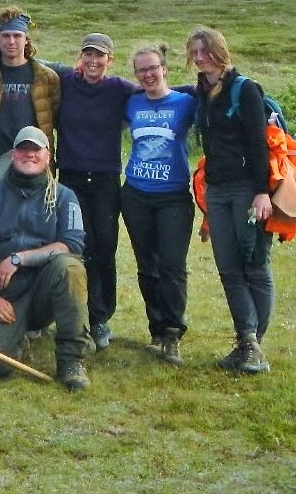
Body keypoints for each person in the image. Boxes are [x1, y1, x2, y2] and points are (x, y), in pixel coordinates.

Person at [0, 126, 91, 391]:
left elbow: (72, 244)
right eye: (23, 149)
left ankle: (71, 360)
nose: (29, 154)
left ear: (48, 157)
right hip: (3, 296)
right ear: (13, 155)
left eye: (36, 150)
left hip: (44, 291)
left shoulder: (65, 197)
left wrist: (19, 258)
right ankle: (16, 339)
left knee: (70, 268)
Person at [187, 27, 274, 374]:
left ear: (219, 51)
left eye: (204, 50)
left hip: (247, 189)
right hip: (218, 191)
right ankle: (247, 342)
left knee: (254, 263)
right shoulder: (201, 91)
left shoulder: (245, 89)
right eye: (194, 52)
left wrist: (262, 191)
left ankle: (253, 345)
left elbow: (258, 143)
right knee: (228, 268)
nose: (199, 57)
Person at [53, 33, 138, 350]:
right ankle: (77, 314)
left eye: (99, 55)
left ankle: (101, 317)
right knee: (76, 245)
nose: (93, 61)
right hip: (71, 177)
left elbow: (157, 90)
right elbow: (32, 62)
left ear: (109, 59)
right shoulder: (66, 81)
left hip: (104, 179)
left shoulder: (119, 88)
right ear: (80, 56)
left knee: (104, 247)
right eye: (88, 54)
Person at [121, 44, 197, 365]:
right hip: (135, 194)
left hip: (173, 196)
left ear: (164, 69)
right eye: (141, 70)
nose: (148, 74)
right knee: (146, 266)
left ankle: (173, 333)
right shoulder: (131, 102)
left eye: (153, 68)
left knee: (172, 266)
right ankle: (156, 330)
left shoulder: (186, 103)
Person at [0, 7, 60, 183]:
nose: (11, 41)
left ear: (26, 40)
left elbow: (55, 118)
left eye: (17, 36)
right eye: (6, 36)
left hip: (34, 156)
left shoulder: (46, 77)